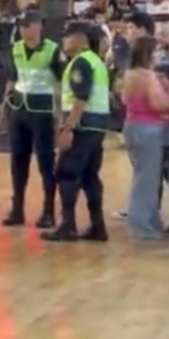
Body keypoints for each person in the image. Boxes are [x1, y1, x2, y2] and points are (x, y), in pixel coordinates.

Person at [42, 21, 110, 243]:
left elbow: (81, 97)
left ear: (79, 39)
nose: (63, 41)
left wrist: (68, 128)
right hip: (97, 125)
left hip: (83, 125)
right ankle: (98, 227)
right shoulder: (95, 61)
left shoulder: (80, 63)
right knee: (90, 176)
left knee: (67, 173)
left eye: (67, 37)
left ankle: (67, 226)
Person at [0, 9, 66, 228]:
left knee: (46, 163)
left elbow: (61, 83)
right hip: (20, 109)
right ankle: (17, 209)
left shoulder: (53, 50)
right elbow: (13, 78)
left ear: (38, 26)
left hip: (42, 111)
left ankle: (48, 211)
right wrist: (3, 108)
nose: (23, 30)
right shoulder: (15, 48)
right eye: (21, 26)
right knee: (18, 161)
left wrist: (61, 115)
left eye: (27, 25)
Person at [121, 36, 169, 240]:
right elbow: (158, 104)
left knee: (141, 176)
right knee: (147, 180)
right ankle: (143, 227)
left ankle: (149, 224)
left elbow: (124, 99)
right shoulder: (148, 76)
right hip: (149, 130)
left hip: (131, 126)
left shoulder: (129, 73)